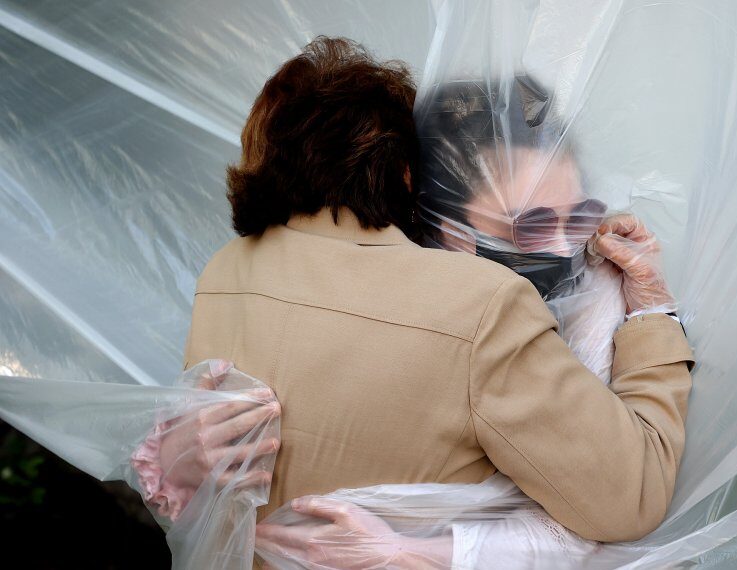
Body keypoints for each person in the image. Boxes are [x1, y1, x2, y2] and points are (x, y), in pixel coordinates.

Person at [150, 36, 694, 567]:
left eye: (579, 217)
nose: (565, 246)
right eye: (529, 225)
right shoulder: (480, 305)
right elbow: (630, 497)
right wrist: (651, 317)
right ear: (413, 179)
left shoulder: (222, 273)